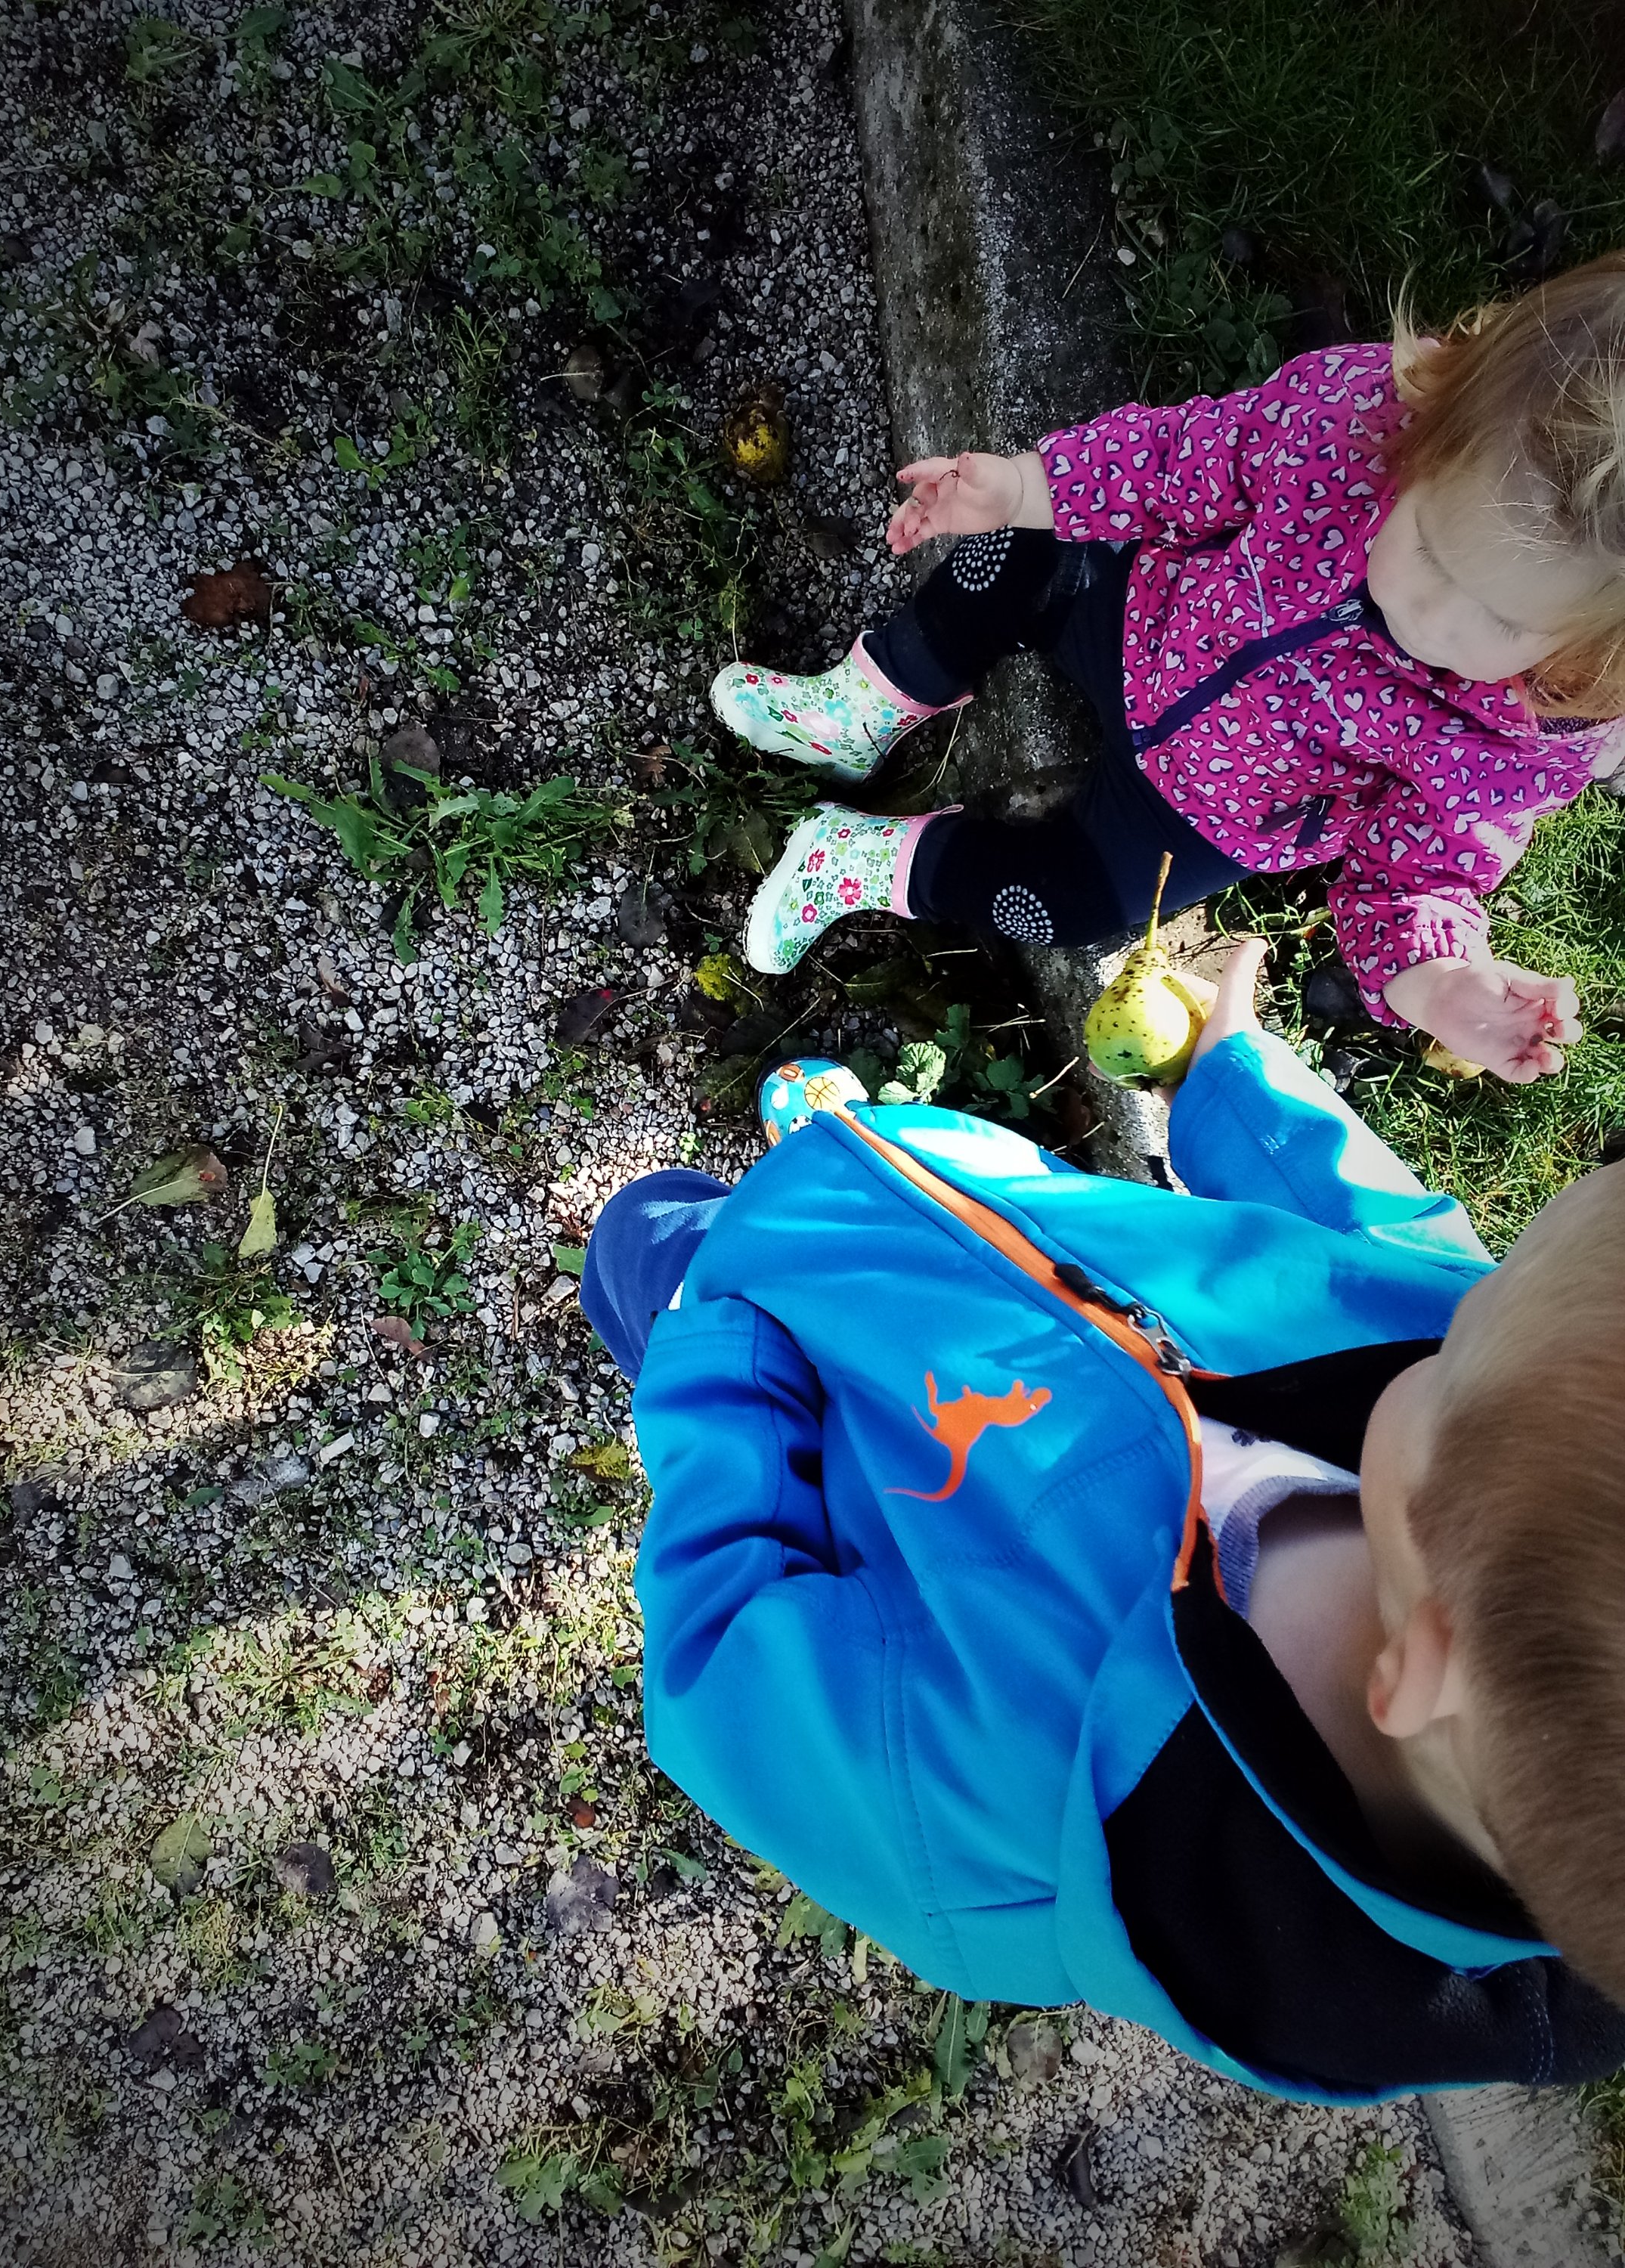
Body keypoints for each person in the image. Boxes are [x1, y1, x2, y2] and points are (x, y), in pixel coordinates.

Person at [581, 941, 1625, 2101]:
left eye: (1471, 1328)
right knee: (865, 1189)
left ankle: (730, 1242)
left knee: (641, 1236)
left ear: (1422, 1654)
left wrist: (723, 1354)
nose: (1463, 1301)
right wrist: (1239, 1088)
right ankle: (853, 1166)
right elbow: (1391, 1240)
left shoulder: (1012, 1815)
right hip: (1009, 1223)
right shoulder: (1494, 1425)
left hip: (809, 1369)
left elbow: (723, 1650)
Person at [716, 256, 1625, 1084]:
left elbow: (1414, 875)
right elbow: (1186, 456)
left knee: (1069, 904)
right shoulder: (1351, 423)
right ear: (1429, 435)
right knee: (1023, 551)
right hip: (1147, 615)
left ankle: (861, 860)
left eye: (1504, 621)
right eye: (1426, 543)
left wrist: (1439, 983)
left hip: (1217, 809)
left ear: (1585, 650)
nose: (1432, 616)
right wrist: (1027, 487)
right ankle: (866, 704)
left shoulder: (1524, 743)